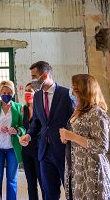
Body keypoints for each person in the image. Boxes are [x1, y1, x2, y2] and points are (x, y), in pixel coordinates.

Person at [19, 61, 74, 200]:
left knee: (71, 191)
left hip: (63, 150)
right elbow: (37, 122)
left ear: (45, 75)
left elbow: (73, 120)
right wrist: (29, 135)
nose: (32, 81)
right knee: (49, 192)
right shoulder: (37, 96)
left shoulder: (66, 94)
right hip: (44, 152)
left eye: (34, 76)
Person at [59, 74, 110, 200]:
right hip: (77, 167)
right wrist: (67, 137)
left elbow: (101, 146)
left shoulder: (97, 113)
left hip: (91, 169)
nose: (72, 92)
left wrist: (72, 136)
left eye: (75, 89)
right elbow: (79, 134)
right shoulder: (78, 111)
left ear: (84, 91)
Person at [0, 80, 25, 200]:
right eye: (4, 92)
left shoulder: (18, 108)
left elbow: (23, 127)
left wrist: (17, 130)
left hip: (12, 148)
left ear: (13, 93)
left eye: (9, 92)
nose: (6, 94)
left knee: (12, 179)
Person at [21, 83, 44, 200]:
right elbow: (22, 127)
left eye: (30, 91)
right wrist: (21, 135)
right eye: (26, 91)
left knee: (42, 181)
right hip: (26, 149)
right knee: (30, 183)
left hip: (39, 148)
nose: (27, 93)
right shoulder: (23, 109)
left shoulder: (41, 109)